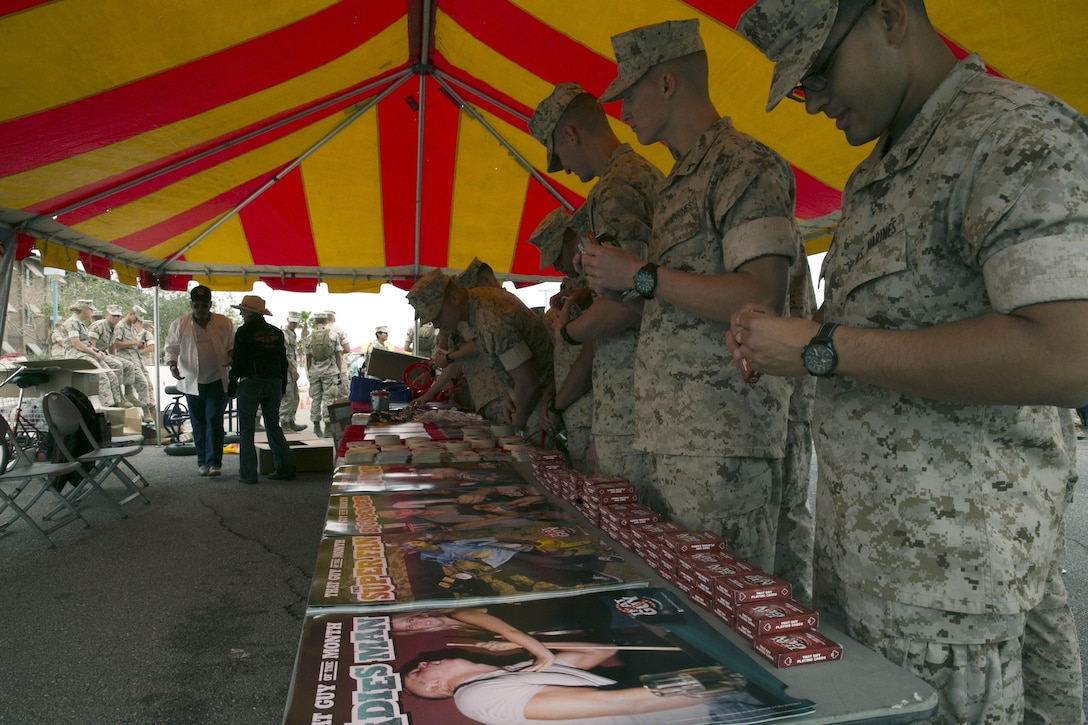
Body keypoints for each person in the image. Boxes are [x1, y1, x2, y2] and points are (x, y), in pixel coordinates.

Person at [732, 0, 1088, 721]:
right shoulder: (877, 175)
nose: (817, 102)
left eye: (821, 70)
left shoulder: (1011, 133)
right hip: (875, 569)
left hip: (949, 589)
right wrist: (796, 342)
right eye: (804, 87)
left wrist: (822, 348)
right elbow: (884, 341)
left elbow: (1068, 350)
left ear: (891, 16)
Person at [580, 19, 814, 576]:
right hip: (672, 439)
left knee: (736, 616)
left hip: (723, 443)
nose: (623, 111)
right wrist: (617, 280)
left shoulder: (742, 165)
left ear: (667, 83)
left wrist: (639, 275)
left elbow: (761, 294)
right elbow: (674, 303)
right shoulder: (675, 185)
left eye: (629, 93)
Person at [530, 81, 663, 495]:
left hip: (629, 398)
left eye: (560, 155)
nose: (564, 167)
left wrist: (568, 331)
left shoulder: (614, 188)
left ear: (570, 134)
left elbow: (629, 301)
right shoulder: (642, 175)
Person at [402, 642, 762, 724]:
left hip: (707, 701)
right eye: (418, 673)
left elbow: (597, 650)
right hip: (707, 711)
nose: (422, 662)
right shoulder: (476, 698)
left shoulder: (510, 670)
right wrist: (720, 683)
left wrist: (525, 643)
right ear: (434, 688)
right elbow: (619, 705)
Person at [408, 266, 553, 437]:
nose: (437, 325)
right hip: (529, 399)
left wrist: (519, 423)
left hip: (540, 404)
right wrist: (509, 392)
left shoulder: (490, 320)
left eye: (438, 317)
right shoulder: (477, 303)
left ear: (454, 298)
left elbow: (528, 383)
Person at [526, 207, 594, 471]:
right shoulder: (573, 287)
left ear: (573, 239)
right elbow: (565, 360)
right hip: (571, 412)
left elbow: (590, 357)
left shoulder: (599, 283)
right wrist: (550, 398)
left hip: (591, 416)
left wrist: (555, 404)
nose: (555, 266)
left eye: (556, 255)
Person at [164, 285, 234, 477]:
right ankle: (202, 461)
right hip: (191, 381)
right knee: (198, 422)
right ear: (191, 305)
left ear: (210, 304)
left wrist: (230, 357)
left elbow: (231, 345)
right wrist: (172, 365)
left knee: (214, 419)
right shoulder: (179, 324)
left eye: (204, 306)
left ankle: (214, 463)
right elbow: (171, 348)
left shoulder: (224, 322)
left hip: (217, 380)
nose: (200, 310)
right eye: (196, 306)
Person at [227, 295, 295, 485]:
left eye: (242, 310)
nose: (240, 313)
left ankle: (248, 474)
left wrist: (232, 383)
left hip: (250, 383)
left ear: (250, 312)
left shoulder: (243, 332)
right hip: (273, 382)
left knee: (247, 430)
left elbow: (238, 361)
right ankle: (285, 468)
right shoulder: (277, 333)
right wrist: (282, 384)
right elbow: (282, 361)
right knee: (273, 426)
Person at [61, 300, 124, 408]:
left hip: (86, 353)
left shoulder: (81, 323)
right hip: (76, 354)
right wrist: (94, 353)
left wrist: (96, 351)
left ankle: (117, 403)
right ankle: (109, 407)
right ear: (85, 310)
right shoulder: (72, 322)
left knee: (111, 376)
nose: (92, 312)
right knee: (102, 378)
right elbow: (76, 343)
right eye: (90, 310)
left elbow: (86, 343)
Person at [113, 304, 157, 424]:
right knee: (142, 383)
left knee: (148, 384)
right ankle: (145, 410)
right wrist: (134, 342)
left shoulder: (131, 327)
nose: (137, 321)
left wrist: (139, 344)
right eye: (136, 318)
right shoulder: (120, 326)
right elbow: (116, 344)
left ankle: (152, 409)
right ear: (131, 313)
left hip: (137, 358)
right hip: (127, 359)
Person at [305, 311, 341, 438]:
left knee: (316, 399)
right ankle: (327, 428)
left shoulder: (309, 337)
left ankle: (316, 426)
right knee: (329, 400)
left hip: (314, 372)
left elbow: (308, 358)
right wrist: (340, 372)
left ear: (315, 322)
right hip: (329, 372)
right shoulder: (333, 335)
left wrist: (309, 372)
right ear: (326, 321)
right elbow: (338, 355)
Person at [278, 311, 306, 432]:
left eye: (295, 323)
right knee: (287, 397)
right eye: (292, 322)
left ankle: (291, 421)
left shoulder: (292, 334)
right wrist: (292, 370)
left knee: (295, 397)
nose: (293, 324)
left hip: (292, 368)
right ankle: (284, 423)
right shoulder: (284, 334)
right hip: (286, 369)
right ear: (287, 320)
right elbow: (283, 355)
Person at [324, 310, 351, 397]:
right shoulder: (339, 331)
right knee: (343, 397)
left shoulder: (316, 332)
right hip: (339, 370)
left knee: (327, 398)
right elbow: (347, 349)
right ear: (334, 319)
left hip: (323, 370)